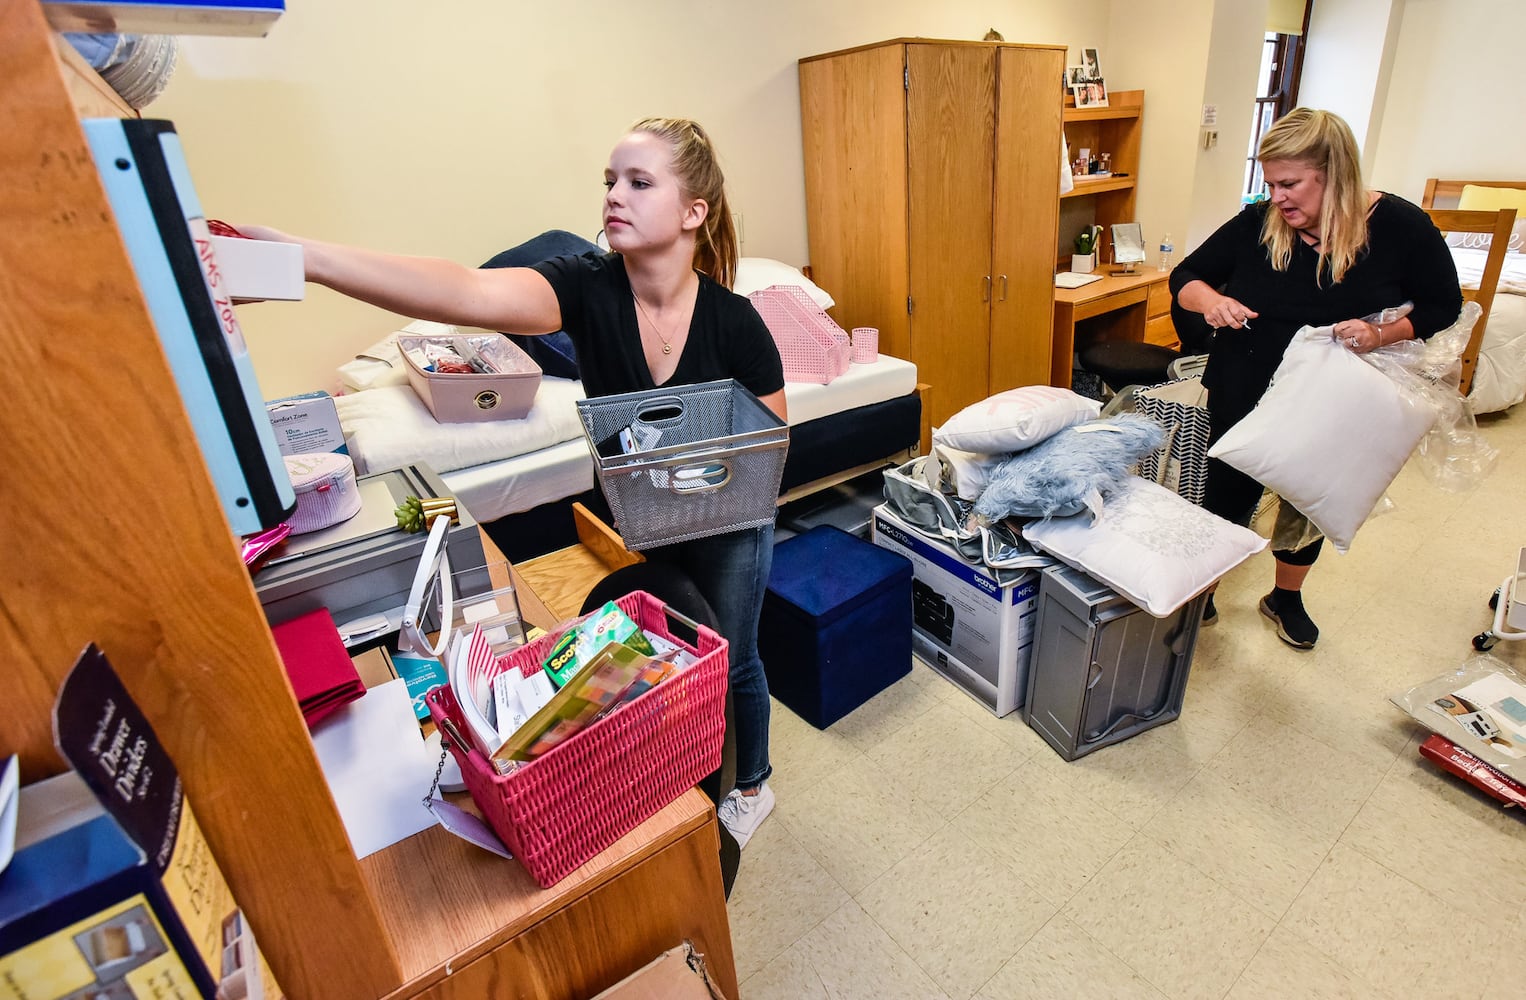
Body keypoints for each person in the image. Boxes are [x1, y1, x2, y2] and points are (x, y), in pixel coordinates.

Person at [243, 117, 785, 845]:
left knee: (735, 653)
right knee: (673, 639)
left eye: (639, 182)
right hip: (643, 515)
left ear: (694, 213)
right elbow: (460, 289)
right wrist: (301, 257)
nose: (613, 197)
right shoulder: (588, 290)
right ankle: (675, 761)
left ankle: (752, 785)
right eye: (610, 181)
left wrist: (693, 472)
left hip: (727, 521)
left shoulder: (737, 322)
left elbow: (771, 444)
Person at [1169, 108, 1461, 649]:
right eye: (1270, 184)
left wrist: (1383, 334)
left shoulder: (1401, 228)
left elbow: (1445, 304)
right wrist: (1211, 301)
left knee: (1307, 498)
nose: (1277, 197)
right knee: (1228, 489)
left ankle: (1285, 595)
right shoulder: (1258, 223)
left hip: (1334, 392)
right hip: (1247, 376)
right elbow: (1185, 276)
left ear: (1336, 174)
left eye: (1290, 183)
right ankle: (1202, 590)